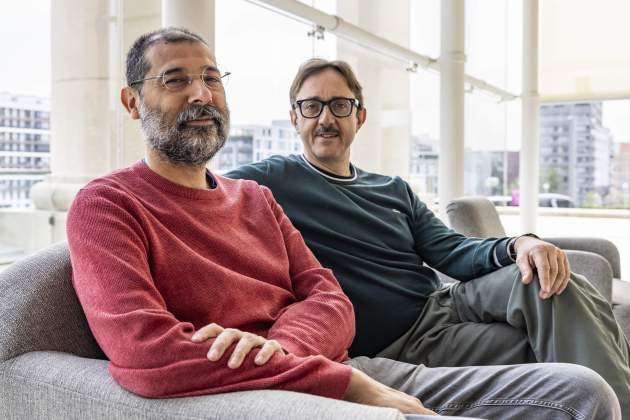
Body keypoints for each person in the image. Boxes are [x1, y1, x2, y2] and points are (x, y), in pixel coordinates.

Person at [67, 27, 620, 419]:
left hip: (418, 319)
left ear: (360, 114)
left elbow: (334, 297)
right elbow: (146, 351)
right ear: (133, 103)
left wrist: (520, 241)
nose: (201, 93)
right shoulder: (119, 204)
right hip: (358, 363)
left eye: (212, 78)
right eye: (175, 79)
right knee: (579, 390)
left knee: (567, 322)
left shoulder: (258, 198)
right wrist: (337, 376)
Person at [226, 58, 630, 416]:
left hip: (442, 304)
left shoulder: (392, 188)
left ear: (359, 116)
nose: (325, 118)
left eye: (339, 105)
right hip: (399, 342)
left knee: (548, 279)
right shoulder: (269, 180)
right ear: (295, 118)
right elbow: (195, 189)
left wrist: (520, 243)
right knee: (551, 357)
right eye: (311, 106)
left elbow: (452, 251)